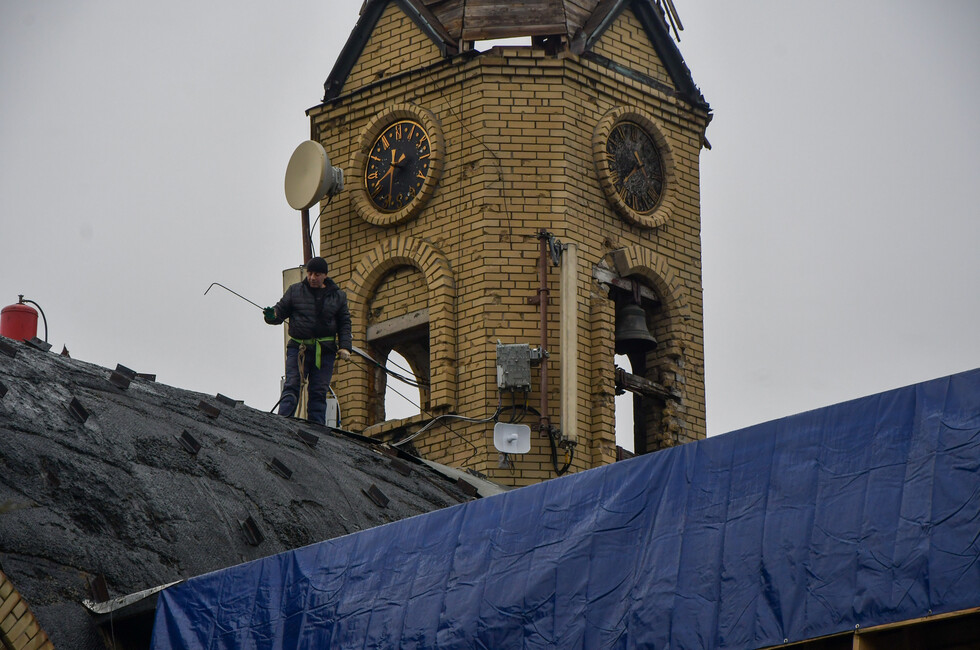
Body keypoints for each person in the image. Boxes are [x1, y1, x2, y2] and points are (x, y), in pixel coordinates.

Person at [264, 256, 352, 424]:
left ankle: (316, 428)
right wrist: (271, 315)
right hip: (299, 349)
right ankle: (282, 423)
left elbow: (344, 323)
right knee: (292, 384)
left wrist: (345, 347)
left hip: (324, 351)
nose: (312, 278)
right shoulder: (295, 291)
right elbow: (279, 312)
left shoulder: (338, 296)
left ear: (325, 275)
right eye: (310, 273)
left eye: (317, 274)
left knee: (319, 390)